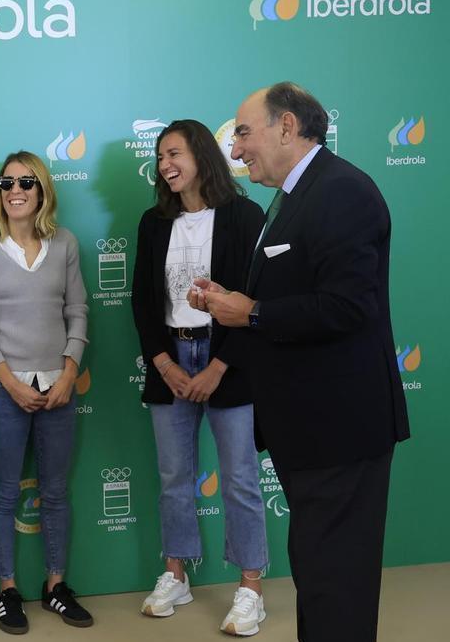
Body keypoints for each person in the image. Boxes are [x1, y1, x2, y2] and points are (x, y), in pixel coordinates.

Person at [191, 82, 410, 642]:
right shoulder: (293, 196)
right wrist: (234, 302)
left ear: (287, 127)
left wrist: (255, 313)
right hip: (310, 431)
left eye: (242, 132)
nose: (235, 151)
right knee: (319, 574)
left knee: (336, 580)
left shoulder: (341, 192)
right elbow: (299, 292)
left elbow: (348, 306)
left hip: (339, 429)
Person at [130, 120, 269, 636]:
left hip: (225, 360)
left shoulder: (243, 215)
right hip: (171, 357)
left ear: (202, 156)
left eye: (174, 153)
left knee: (239, 478)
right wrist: (164, 364)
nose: (165, 164)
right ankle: (176, 573)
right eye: (160, 156)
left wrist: (217, 366)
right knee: (173, 478)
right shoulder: (152, 223)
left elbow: (255, 303)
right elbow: (143, 303)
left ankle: (250, 586)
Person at [0, 151, 94, 635]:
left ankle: (56, 586)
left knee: (57, 491)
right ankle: (7, 590)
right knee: (2, 493)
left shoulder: (65, 244)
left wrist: (67, 374)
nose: (15, 190)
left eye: (26, 182)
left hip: (60, 388)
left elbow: (78, 311)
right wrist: (10, 382)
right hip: (6, 391)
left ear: (42, 191)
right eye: (7, 182)